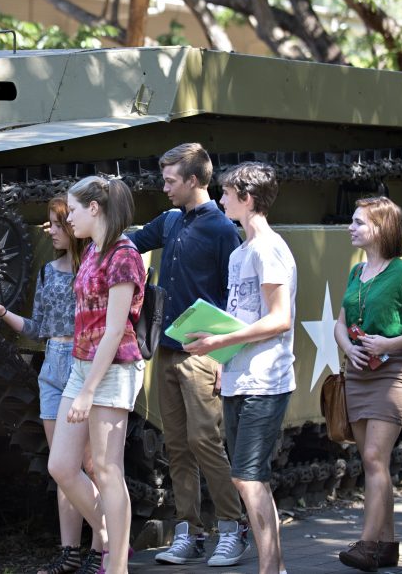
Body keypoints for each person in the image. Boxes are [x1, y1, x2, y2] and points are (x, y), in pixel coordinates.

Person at [126, 143, 248, 567]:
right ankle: (189, 532)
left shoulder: (222, 230)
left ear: (194, 181)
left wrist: (223, 359)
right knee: (176, 446)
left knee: (206, 442)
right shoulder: (171, 220)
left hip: (203, 354)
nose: (164, 188)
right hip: (167, 351)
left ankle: (233, 529)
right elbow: (130, 242)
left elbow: (237, 299)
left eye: (171, 181)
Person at [184, 162, 296, 574]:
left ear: (247, 199)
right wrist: (221, 360)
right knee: (247, 478)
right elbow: (239, 314)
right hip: (237, 377)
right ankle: (276, 567)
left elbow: (279, 318)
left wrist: (221, 343)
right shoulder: (239, 253)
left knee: (249, 477)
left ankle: (271, 569)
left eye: (227, 193)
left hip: (266, 379)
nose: (220, 199)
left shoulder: (270, 249)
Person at [0, 195, 95, 574]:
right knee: (63, 469)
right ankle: (70, 551)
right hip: (52, 368)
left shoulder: (92, 270)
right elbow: (39, 329)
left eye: (58, 225)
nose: (51, 231)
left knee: (90, 465)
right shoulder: (48, 270)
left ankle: (106, 546)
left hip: (82, 364)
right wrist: (2, 312)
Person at [334, 196, 402, 572]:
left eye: (359, 222)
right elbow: (341, 322)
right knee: (372, 462)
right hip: (359, 373)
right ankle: (388, 545)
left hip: (392, 373)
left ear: (380, 228)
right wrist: (348, 346)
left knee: (375, 458)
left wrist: (388, 344)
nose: (351, 227)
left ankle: (367, 546)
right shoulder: (355, 272)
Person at [48, 175, 146, 574]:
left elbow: (114, 329)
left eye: (71, 210)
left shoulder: (123, 255)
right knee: (62, 466)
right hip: (83, 365)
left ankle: (117, 565)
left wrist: (88, 391)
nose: (67, 218)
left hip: (114, 368)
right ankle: (110, 533)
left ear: (94, 208)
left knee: (107, 469)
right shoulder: (91, 251)